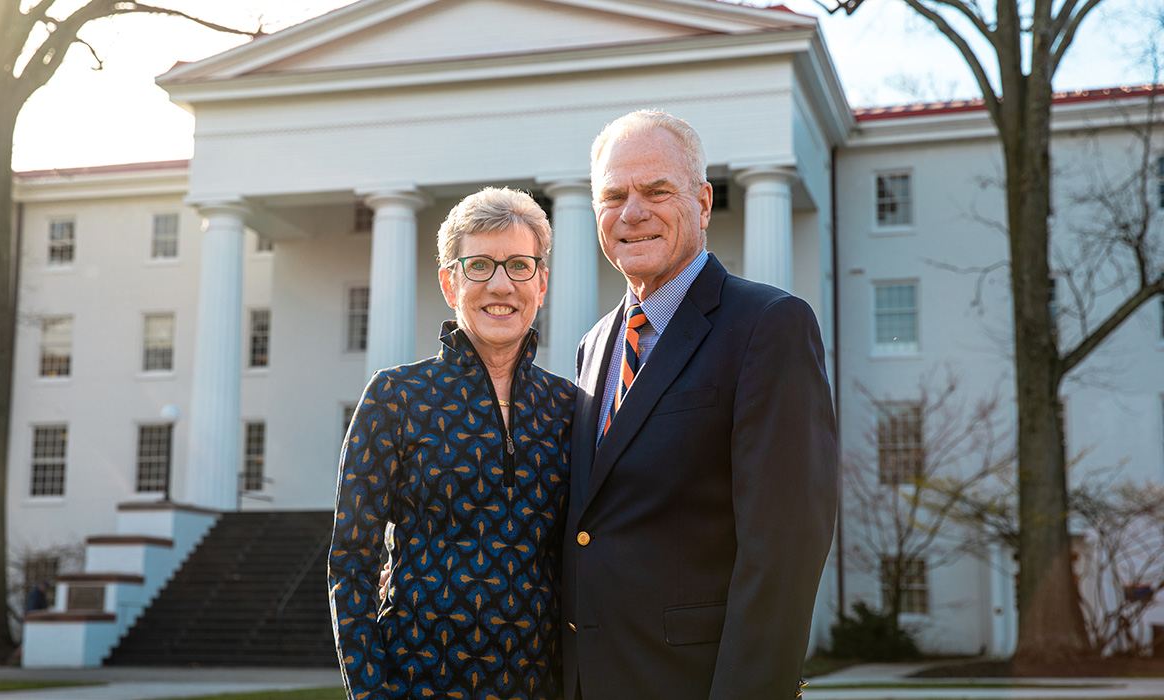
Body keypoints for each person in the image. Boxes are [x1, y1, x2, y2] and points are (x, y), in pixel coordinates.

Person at [562, 110, 838, 699]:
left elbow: (784, 550)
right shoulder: (591, 346)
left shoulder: (768, 325)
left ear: (704, 202)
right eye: (613, 196)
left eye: (656, 191)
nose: (632, 212)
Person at [329, 187, 575, 700]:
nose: (502, 286)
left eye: (519, 266)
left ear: (542, 282)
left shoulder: (570, 408)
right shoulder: (395, 397)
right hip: (417, 683)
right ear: (450, 281)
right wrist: (374, 693)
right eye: (480, 266)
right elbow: (352, 561)